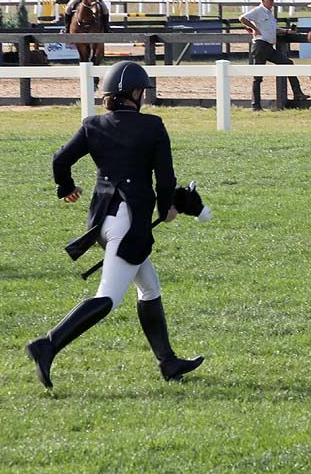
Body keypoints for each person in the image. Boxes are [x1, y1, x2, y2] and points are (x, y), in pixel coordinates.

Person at [25, 61, 204, 388]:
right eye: (142, 91)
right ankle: (47, 344)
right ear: (134, 93)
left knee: (149, 287)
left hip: (102, 223)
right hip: (128, 225)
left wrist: (66, 188)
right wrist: (167, 209)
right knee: (108, 297)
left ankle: (168, 362)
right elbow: (165, 179)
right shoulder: (153, 126)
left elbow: (60, 160)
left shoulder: (93, 124)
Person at [239, 0, 309, 111]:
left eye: (272, 1)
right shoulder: (258, 10)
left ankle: (297, 93)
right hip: (260, 46)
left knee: (288, 63)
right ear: (263, 0)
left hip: (268, 47)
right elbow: (242, 18)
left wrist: (287, 31)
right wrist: (254, 28)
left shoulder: (269, 14)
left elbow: (274, 29)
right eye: (270, 0)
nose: (272, 3)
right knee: (258, 77)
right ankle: (256, 105)